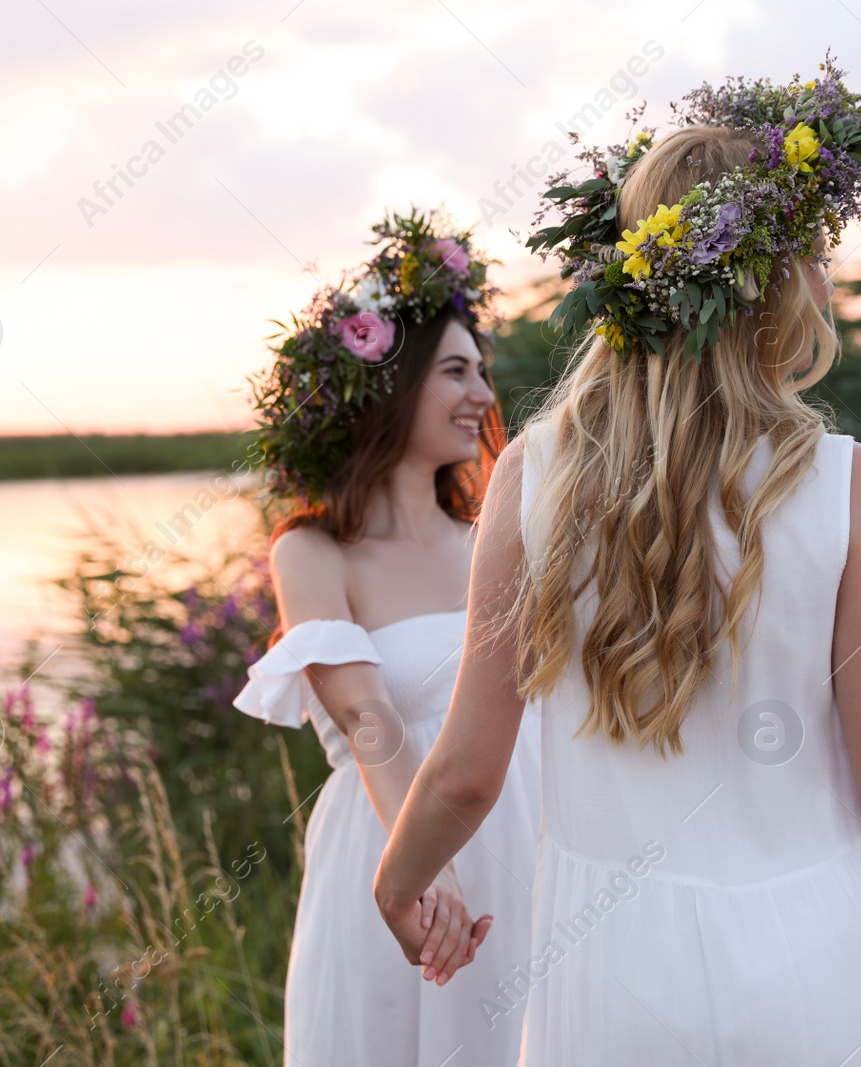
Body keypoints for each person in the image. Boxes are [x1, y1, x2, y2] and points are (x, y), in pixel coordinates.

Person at [374, 68, 861, 1066]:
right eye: (816, 255)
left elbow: (462, 775)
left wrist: (397, 882)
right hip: (826, 965)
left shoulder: (531, 475)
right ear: (779, 280)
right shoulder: (849, 483)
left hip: (613, 974)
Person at [232, 210, 542, 1066]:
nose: (483, 393)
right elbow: (369, 718)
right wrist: (424, 869)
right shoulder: (313, 550)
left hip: (524, 853)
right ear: (389, 385)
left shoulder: (496, 539)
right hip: (393, 857)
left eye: (482, 369)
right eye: (454, 370)